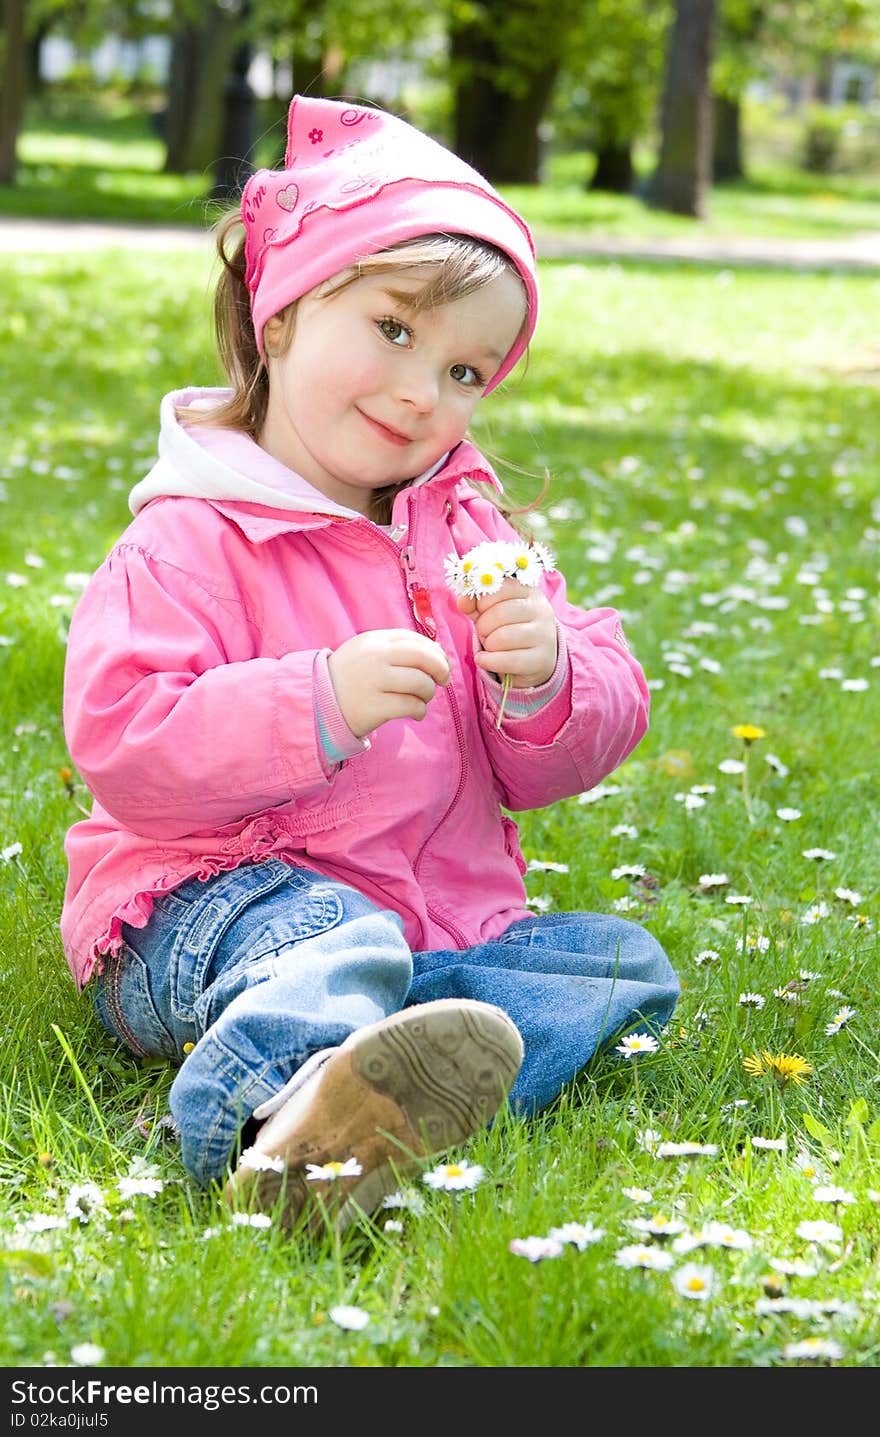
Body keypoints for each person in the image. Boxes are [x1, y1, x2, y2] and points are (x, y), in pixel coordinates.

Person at [60, 93, 680, 1233]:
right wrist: (316, 703)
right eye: (395, 331)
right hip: (209, 909)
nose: (420, 393)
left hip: (430, 929)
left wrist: (543, 682)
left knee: (615, 964)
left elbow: (556, 762)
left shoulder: (469, 534)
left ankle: (394, 1078)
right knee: (324, 943)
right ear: (283, 313)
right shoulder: (193, 535)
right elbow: (125, 745)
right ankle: (271, 1131)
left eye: (466, 372)